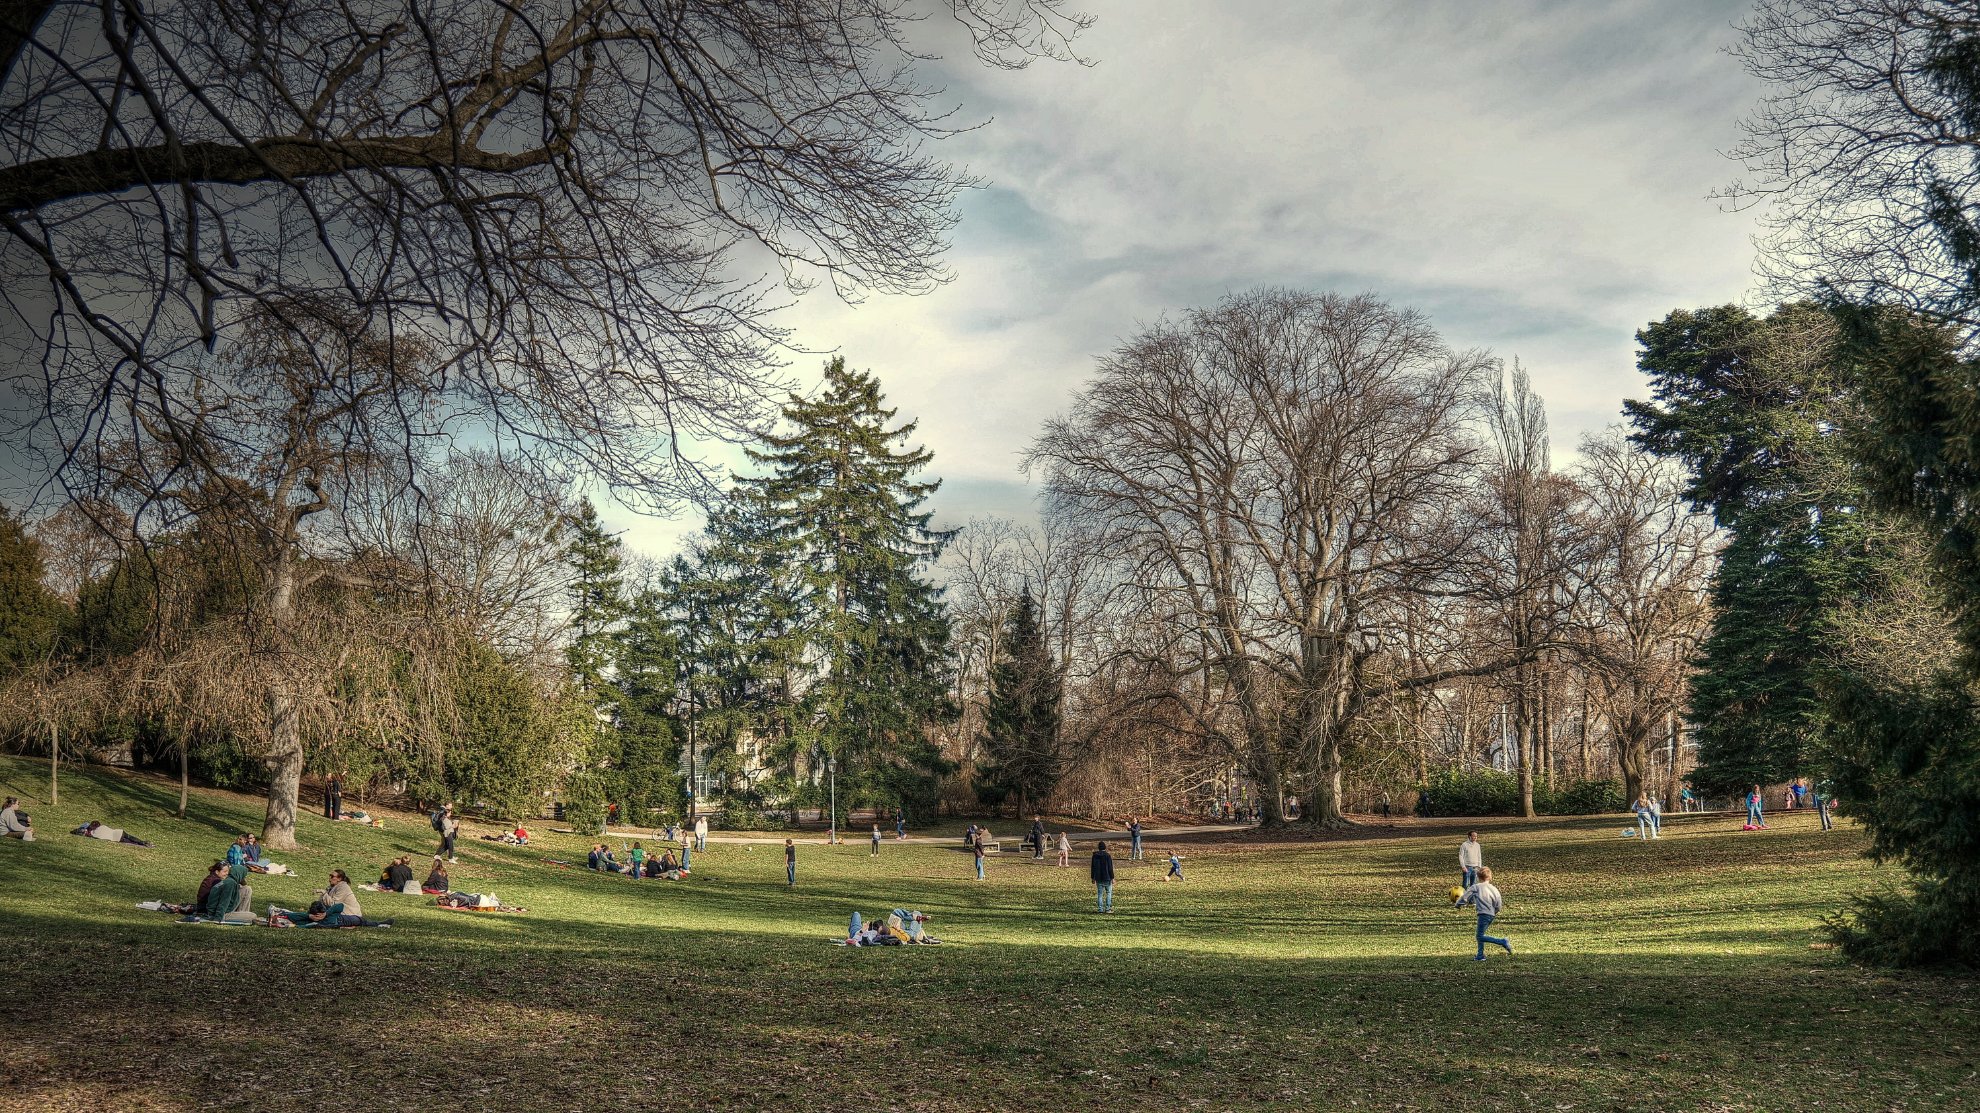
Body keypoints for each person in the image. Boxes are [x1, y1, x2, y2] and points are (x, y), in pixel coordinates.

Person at [1454, 865, 1512, 961]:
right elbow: (1499, 903)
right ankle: (1480, 955)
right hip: (1491, 914)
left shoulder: (1476, 887)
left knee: (1479, 936)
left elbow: (1464, 897)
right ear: (1489, 877)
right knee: (1481, 934)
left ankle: (1503, 941)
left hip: (1483, 914)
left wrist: (1458, 904)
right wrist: (1495, 911)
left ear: (1477, 877)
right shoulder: (1494, 889)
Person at [1091, 839, 1115, 913]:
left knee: (1100, 894)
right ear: (1105, 847)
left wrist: (1093, 877)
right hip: (1107, 877)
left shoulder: (1095, 856)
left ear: (1098, 848)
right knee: (1108, 893)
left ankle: (1100, 909)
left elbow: (1093, 867)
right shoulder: (1107, 856)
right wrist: (1112, 877)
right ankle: (1107, 909)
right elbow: (1110, 868)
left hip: (1098, 877)